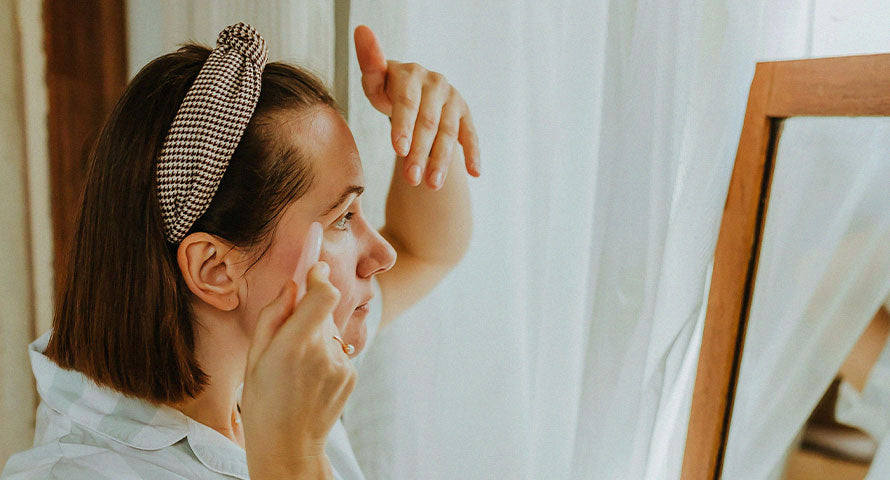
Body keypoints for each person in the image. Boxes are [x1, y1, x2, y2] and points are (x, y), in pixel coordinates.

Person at [1, 22, 478, 480]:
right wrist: (292, 459)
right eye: (342, 218)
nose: (382, 254)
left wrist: (428, 131)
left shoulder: (272, 352)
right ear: (215, 269)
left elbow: (424, 249)